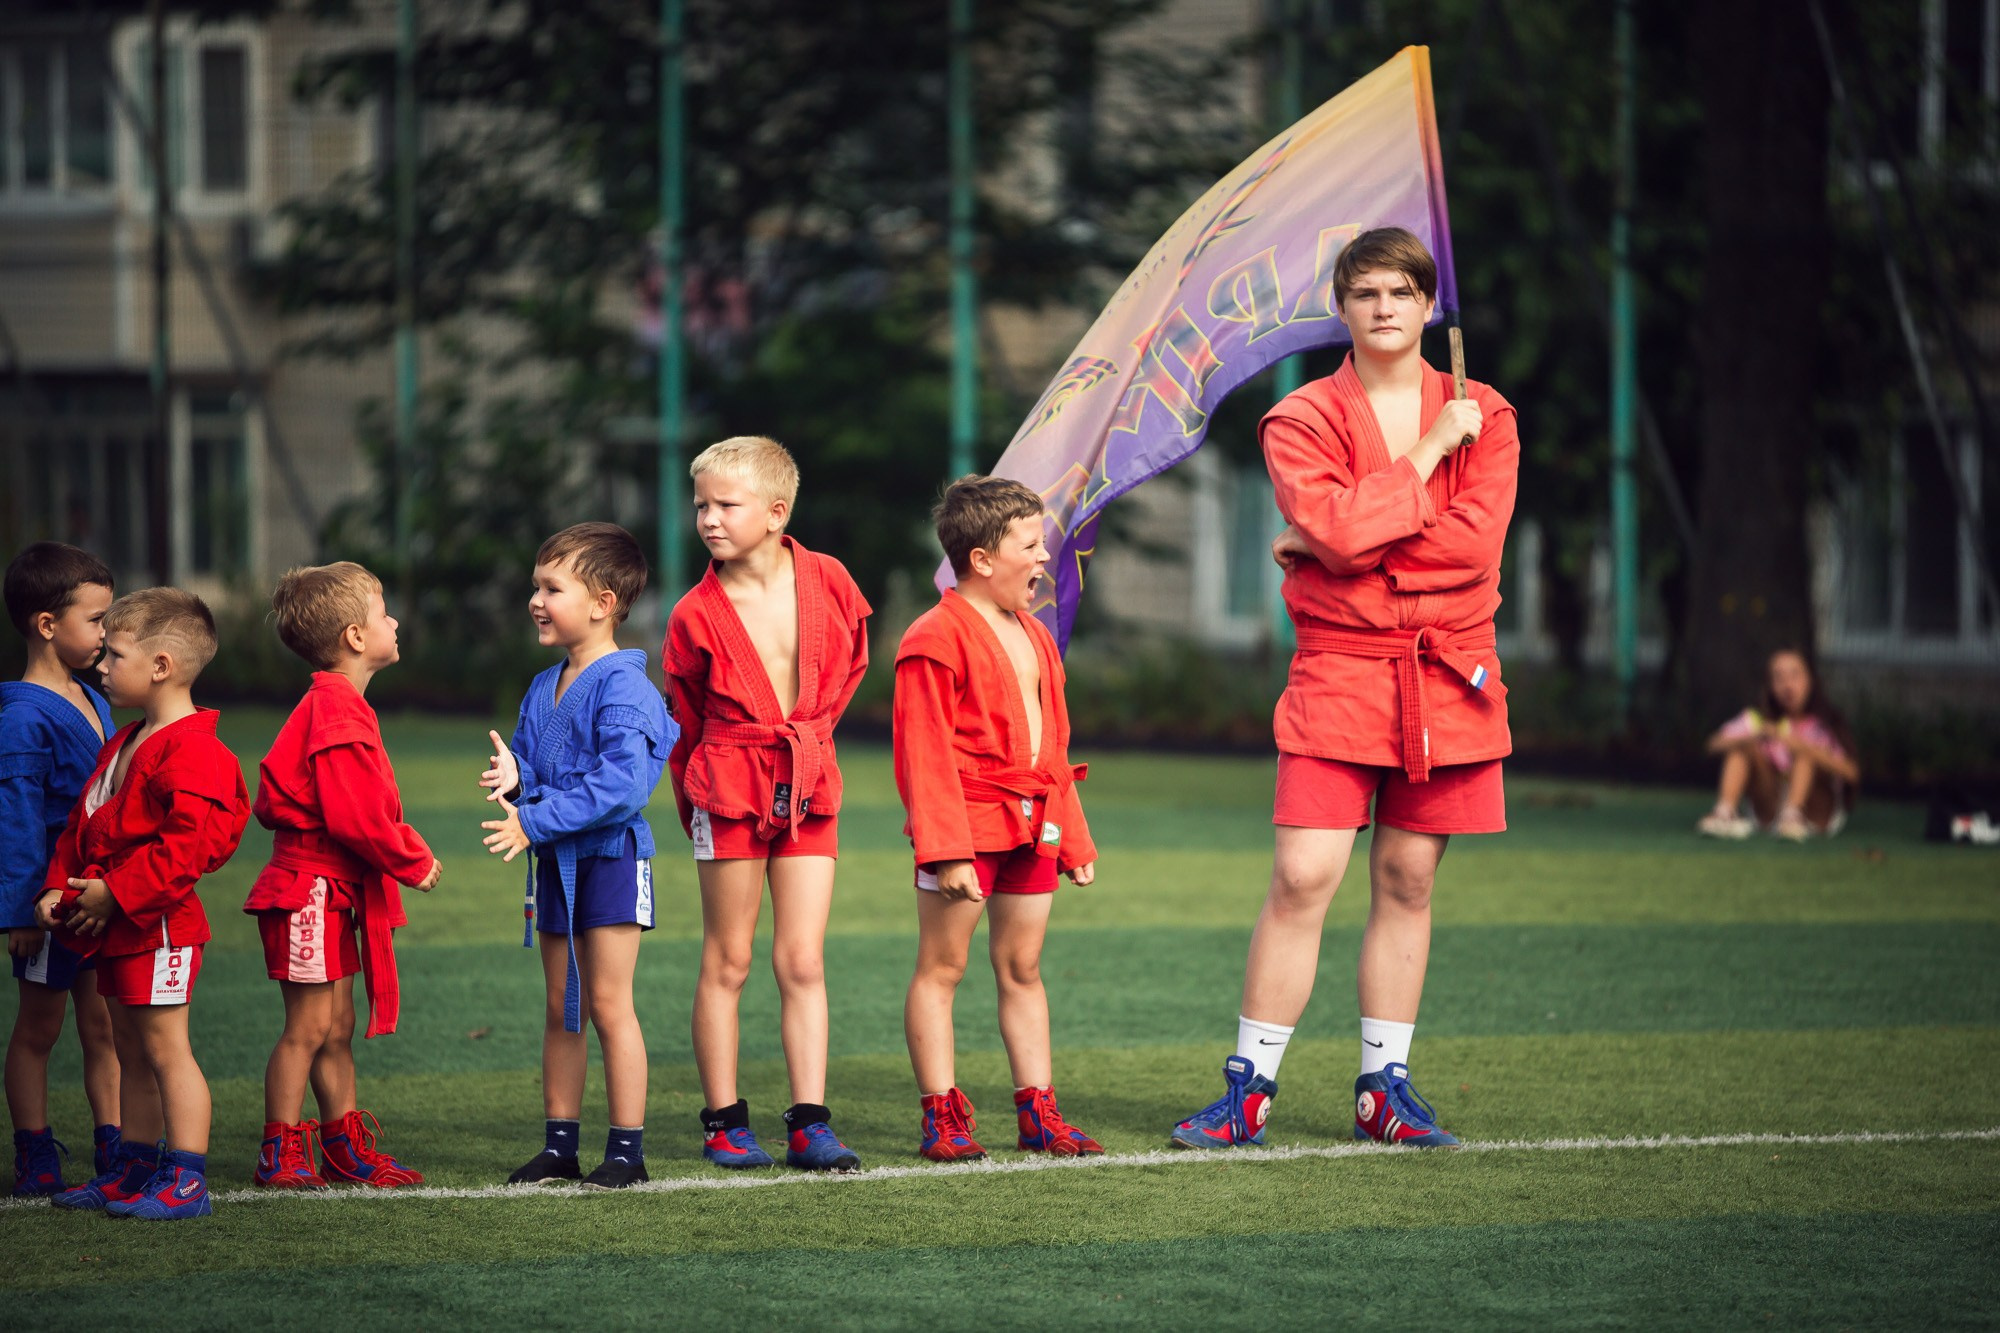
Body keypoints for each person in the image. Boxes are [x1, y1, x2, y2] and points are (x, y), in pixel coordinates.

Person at [1170, 226, 1517, 1152]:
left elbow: (1473, 550)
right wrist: (1424, 457)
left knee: (1408, 878)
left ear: (1428, 303)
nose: (1385, 307)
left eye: (1403, 291)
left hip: (1449, 676)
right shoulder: (1301, 420)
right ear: (1342, 307)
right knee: (1302, 875)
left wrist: (1345, 554)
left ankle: (1383, 1089)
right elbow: (1330, 526)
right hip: (1341, 672)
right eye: (1366, 293)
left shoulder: (1488, 409)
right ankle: (1248, 1092)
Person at [663, 437, 871, 1172]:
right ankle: (724, 1119)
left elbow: (851, 665)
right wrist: (698, 797)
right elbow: (682, 720)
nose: (709, 519)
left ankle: (810, 1121)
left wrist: (808, 740)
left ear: (777, 512)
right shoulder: (693, 612)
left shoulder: (831, 580)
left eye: (726, 505)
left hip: (809, 782)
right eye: (701, 506)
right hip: (726, 786)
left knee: (803, 959)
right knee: (729, 957)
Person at [895, 475, 1101, 1163]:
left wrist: (1072, 835)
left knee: (1023, 964)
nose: (1044, 558)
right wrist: (946, 849)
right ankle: (942, 1115)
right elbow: (922, 757)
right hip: (968, 826)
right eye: (1030, 545)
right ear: (982, 558)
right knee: (943, 967)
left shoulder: (1036, 635)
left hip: (1033, 824)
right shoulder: (933, 636)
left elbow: (1056, 743)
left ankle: (1038, 1112)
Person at [37, 588, 250, 1218]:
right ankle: (133, 1168)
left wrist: (118, 892)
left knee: (165, 1049)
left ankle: (187, 1179)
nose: (101, 667)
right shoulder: (128, 738)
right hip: (118, 926)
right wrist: (59, 881)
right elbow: (84, 824)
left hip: (158, 927)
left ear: (161, 665)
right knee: (129, 1046)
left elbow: (191, 849)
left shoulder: (197, 752)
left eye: (115, 655)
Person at [480, 522, 674, 1189]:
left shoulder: (627, 688)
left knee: (608, 1003)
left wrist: (533, 819)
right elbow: (547, 772)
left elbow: (621, 787)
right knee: (563, 1005)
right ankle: (560, 1144)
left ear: (602, 602)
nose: (536, 599)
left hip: (613, 861)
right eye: (536, 585)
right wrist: (519, 779)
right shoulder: (544, 684)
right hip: (558, 863)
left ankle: (626, 1151)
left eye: (551, 587)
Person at [246, 563, 443, 1190]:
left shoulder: (339, 704)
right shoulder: (337, 709)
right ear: (357, 637)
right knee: (307, 1028)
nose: (394, 621)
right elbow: (356, 817)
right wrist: (413, 860)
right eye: (384, 613)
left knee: (337, 1026)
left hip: (327, 892)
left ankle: (341, 1146)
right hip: (309, 889)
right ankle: (281, 1150)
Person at [2, 543, 121, 1195]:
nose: (106, 633)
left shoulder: (91, 695)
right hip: (49, 905)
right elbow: (15, 818)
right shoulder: (21, 715)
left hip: (97, 897)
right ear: (47, 624)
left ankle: (115, 1142)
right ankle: (35, 1149)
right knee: (39, 1028)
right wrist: (22, 910)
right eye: (97, 619)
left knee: (102, 1021)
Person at [1698, 647, 1858, 841]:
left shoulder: (1827, 723)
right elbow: (1712, 745)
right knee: (1740, 748)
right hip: (1770, 809)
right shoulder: (1759, 720)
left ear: (1811, 680)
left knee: (1805, 756)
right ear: (1770, 685)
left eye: (1795, 675)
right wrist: (1755, 737)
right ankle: (1724, 813)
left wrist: (1802, 747)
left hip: (1818, 809)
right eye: (1779, 677)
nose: (1787, 684)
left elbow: (1852, 773)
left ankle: (1792, 817)